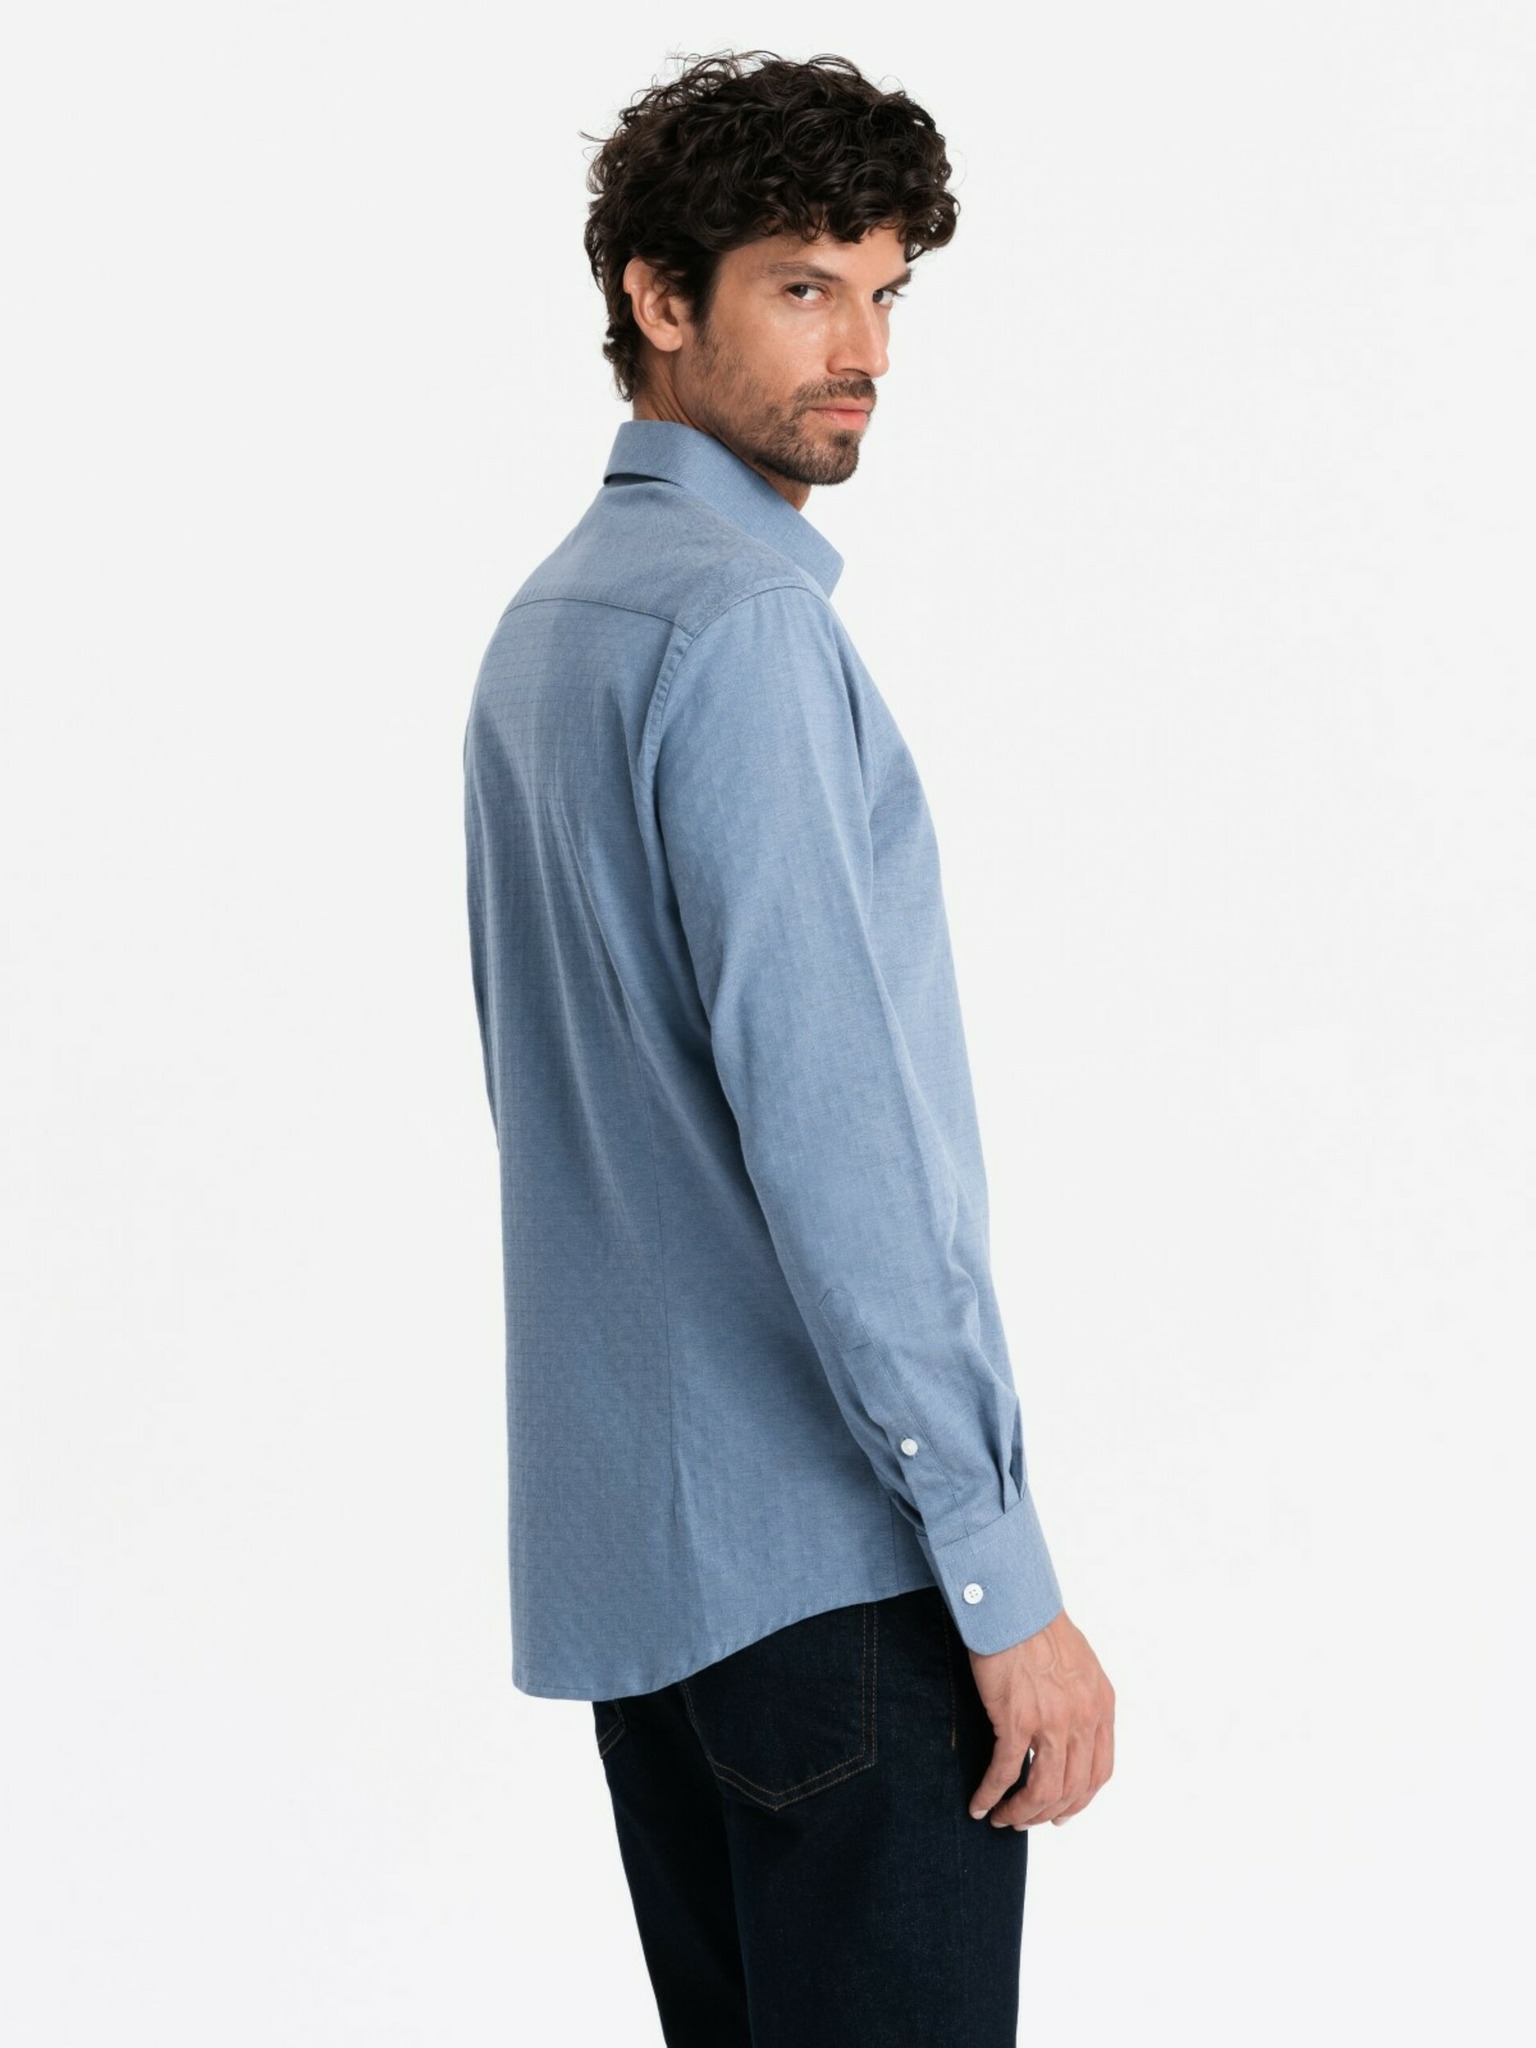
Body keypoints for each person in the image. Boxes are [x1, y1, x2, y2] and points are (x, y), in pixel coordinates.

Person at [463, 49, 1114, 2047]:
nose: (866, 353)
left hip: (657, 1602)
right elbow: (842, 1146)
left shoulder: (556, 623)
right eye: (805, 287)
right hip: (833, 1588)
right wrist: (997, 1572)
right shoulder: (741, 630)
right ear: (661, 299)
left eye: (886, 291)